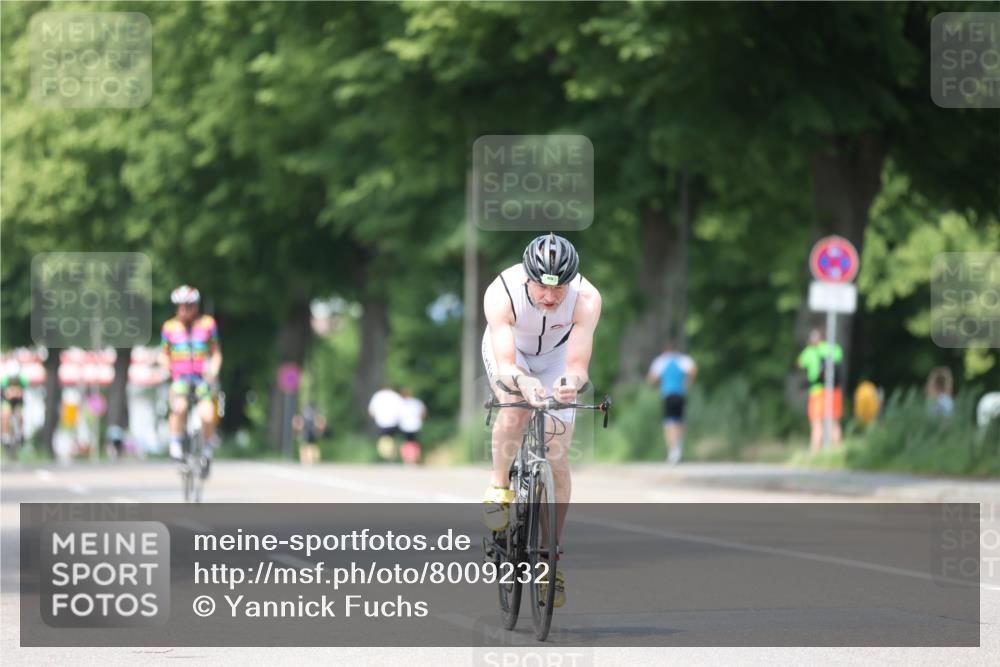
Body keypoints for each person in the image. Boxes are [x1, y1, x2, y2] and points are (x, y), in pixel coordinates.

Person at [481, 232, 603, 609]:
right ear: (526, 279)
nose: (550, 298)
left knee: (558, 456)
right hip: (511, 356)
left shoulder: (587, 299)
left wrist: (569, 384)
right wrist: (521, 382)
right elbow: (505, 365)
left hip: (556, 358)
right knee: (515, 407)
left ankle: (550, 557)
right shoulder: (501, 291)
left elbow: (578, 367)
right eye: (542, 289)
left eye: (559, 290)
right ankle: (499, 486)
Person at [158, 285, 222, 476]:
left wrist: (214, 371)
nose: (184, 310)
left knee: (208, 415)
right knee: (179, 408)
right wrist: (167, 368)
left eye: (188, 306)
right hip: (181, 378)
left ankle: (207, 452)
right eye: (180, 306)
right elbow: (163, 354)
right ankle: (176, 447)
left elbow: (216, 353)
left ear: (196, 306)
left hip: (202, 378)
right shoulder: (169, 327)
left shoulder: (208, 324)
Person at [647, 341, 697, 464]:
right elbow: (693, 369)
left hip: (668, 394)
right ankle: (678, 448)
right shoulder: (683, 360)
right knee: (679, 421)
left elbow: (651, 379)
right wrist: (688, 382)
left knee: (669, 423)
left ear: (665, 350)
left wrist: (658, 384)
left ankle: (673, 451)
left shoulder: (661, 361)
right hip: (680, 394)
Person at [797, 328, 843, 451]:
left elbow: (800, 363)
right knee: (834, 422)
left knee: (817, 423)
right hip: (834, 390)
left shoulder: (809, 351)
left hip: (817, 391)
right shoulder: (831, 348)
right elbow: (839, 356)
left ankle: (815, 452)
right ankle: (837, 451)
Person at [1, 361, 30, 457]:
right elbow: (5, 394)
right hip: (7, 401)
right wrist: (12, 393)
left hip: (18, 401)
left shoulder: (23, 380)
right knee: (5, 415)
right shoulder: (4, 380)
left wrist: (15, 393)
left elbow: (22, 393)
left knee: (20, 415)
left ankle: (20, 434)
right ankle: (5, 436)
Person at [368, 385, 402, 460]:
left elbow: (371, 410)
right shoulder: (395, 396)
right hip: (393, 422)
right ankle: (389, 454)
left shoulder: (377, 395)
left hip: (381, 421)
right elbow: (401, 410)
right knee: (390, 438)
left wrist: (373, 417)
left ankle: (385, 454)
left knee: (383, 438)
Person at [397, 389, 426, 465]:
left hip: (405, 426)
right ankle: (415, 457)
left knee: (407, 443)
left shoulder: (401, 403)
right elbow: (423, 412)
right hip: (415, 425)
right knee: (414, 442)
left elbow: (398, 415)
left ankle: (408, 458)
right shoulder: (417, 402)